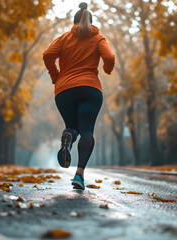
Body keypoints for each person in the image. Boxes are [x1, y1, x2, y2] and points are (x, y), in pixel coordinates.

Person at [43, 2, 115, 189]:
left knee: (72, 126)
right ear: (90, 21)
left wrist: (55, 76)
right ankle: (79, 175)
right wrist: (107, 69)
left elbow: (48, 55)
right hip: (90, 88)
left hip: (64, 90)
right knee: (87, 131)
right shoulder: (98, 38)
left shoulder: (64, 38)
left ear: (74, 21)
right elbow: (110, 58)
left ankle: (68, 134)